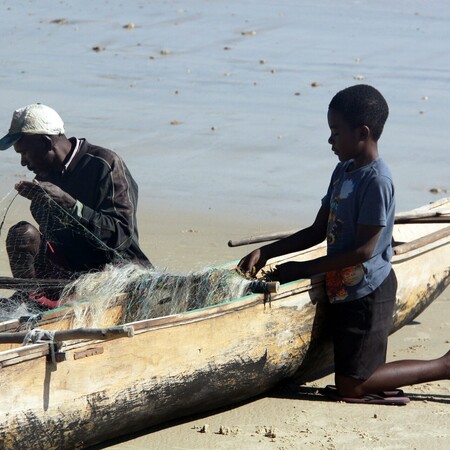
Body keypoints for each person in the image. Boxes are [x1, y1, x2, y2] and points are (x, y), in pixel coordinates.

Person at [238, 85, 450, 402]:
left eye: (335, 132)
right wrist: (266, 252)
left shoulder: (377, 180)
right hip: (342, 289)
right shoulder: (343, 171)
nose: (330, 141)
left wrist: (303, 268)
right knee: (355, 377)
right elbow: (316, 231)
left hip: (368, 293)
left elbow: (365, 251)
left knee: (351, 386)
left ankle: (443, 365)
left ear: (362, 133)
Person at [0, 103, 151, 307]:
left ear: (45, 143)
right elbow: (54, 240)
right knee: (22, 234)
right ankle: (32, 299)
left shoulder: (104, 164)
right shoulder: (44, 179)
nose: (23, 163)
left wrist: (69, 204)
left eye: (24, 153)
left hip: (111, 271)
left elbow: (121, 236)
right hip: (67, 273)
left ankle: (51, 303)